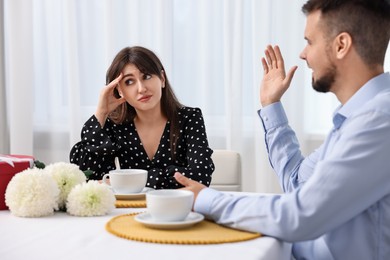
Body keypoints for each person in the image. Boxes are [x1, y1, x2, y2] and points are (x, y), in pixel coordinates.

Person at [174, 0, 390, 259]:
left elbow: (299, 216)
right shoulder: (356, 119)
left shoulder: (379, 121)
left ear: (341, 45)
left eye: (310, 41)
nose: (303, 53)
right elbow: (297, 183)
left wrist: (205, 199)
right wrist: (271, 104)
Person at [70, 46, 214, 189]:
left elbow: (200, 177)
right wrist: (101, 113)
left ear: (162, 78)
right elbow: (88, 178)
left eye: (147, 76)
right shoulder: (115, 125)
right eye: (129, 82)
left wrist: (125, 181)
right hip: (128, 209)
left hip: (177, 208)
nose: (141, 88)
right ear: (120, 90)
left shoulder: (189, 118)